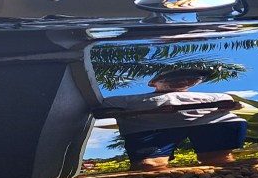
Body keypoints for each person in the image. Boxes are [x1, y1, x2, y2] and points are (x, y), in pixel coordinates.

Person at [95, 68, 248, 172]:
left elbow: (236, 107)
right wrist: (151, 112)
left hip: (211, 124)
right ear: (152, 82)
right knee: (149, 166)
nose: (184, 80)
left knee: (219, 160)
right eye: (174, 77)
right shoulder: (125, 99)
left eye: (194, 78)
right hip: (151, 129)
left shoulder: (217, 96)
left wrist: (232, 105)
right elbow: (101, 114)